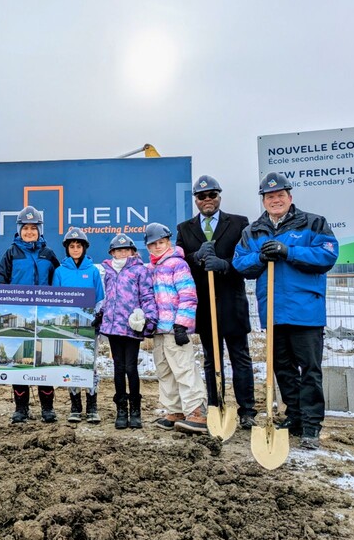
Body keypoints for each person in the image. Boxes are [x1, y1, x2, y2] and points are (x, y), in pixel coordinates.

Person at [233, 172, 338, 450]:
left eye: (280, 195)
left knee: (310, 370)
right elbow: (240, 263)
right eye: (270, 197)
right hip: (274, 312)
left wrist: (288, 251)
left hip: (305, 311)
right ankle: (295, 417)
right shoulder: (254, 231)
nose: (275, 200)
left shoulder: (313, 223)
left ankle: (312, 425)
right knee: (283, 369)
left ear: (289, 198)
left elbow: (327, 255)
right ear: (264, 201)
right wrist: (260, 257)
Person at [175, 175, 257, 430]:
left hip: (232, 302)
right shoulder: (185, 228)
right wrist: (196, 257)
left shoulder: (239, 223)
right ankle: (215, 404)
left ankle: (247, 410)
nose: (207, 200)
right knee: (212, 359)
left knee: (240, 357)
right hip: (205, 305)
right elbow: (179, 262)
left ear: (219, 197)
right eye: (202, 196)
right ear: (196, 201)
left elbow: (248, 259)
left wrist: (225, 266)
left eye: (212, 195)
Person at [0, 205, 61, 424]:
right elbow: (0, 284)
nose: (29, 232)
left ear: (40, 230)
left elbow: (59, 285)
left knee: (44, 361)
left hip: (43, 318)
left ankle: (47, 408)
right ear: (19, 230)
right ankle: (21, 409)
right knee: (20, 361)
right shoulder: (11, 253)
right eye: (26, 228)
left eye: (34, 228)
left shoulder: (48, 254)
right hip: (18, 318)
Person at [143, 222, 208, 434]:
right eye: (152, 245)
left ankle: (196, 411)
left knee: (183, 369)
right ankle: (175, 410)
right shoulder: (151, 269)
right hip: (159, 330)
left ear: (168, 242)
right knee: (165, 371)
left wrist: (182, 324)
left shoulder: (177, 265)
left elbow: (188, 296)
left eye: (160, 243)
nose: (157, 247)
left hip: (175, 329)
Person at [100, 234, 158, 429]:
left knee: (131, 368)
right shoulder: (108, 271)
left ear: (133, 252)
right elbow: (109, 297)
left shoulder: (139, 271)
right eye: (118, 250)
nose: (122, 253)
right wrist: (101, 314)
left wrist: (149, 319)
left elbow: (148, 296)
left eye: (125, 249)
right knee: (118, 368)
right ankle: (121, 409)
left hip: (132, 325)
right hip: (112, 327)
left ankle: (135, 409)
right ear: (112, 253)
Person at [51, 228, 105, 423]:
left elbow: (100, 297)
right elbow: (55, 299)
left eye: (78, 246)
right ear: (67, 249)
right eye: (72, 246)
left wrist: (98, 317)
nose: (75, 249)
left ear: (84, 248)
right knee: (71, 362)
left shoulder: (92, 271)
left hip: (89, 326)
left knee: (90, 364)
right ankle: (75, 406)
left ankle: (92, 406)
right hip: (68, 327)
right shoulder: (60, 272)